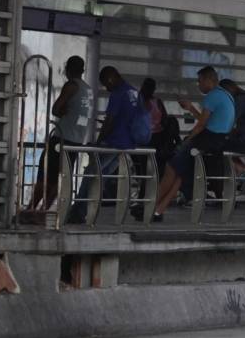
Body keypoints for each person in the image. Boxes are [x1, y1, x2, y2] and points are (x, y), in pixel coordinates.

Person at [146, 66, 235, 221]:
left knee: (171, 168)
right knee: (180, 174)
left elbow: (201, 126)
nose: (199, 85)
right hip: (219, 141)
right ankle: (158, 210)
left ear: (208, 80)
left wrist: (187, 139)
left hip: (206, 139)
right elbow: (207, 121)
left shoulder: (212, 96)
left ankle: (150, 205)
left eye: (200, 81)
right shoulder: (226, 95)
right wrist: (191, 108)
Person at [66, 66, 144, 224]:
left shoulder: (118, 93)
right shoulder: (134, 92)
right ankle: (85, 210)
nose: (106, 88)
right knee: (102, 177)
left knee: (91, 174)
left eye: (105, 84)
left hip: (114, 142)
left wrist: (99, 142)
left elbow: (110, 120)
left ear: (111, 78)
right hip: (127, 143)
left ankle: (78, 211)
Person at [26, 56, 93, 214]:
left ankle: (30, 210)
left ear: (67, 69)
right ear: (82, 70)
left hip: (61, 138)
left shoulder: (71, 85)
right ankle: (44, 211)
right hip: (76, 141)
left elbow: (56, 109)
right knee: (59, 177)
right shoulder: (88, 90)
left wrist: (64, 112)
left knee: (45, 174)